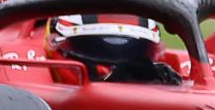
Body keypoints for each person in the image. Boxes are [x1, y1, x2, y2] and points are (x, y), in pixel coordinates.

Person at [47, 13, 183, 84]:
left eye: (132, 50)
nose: (112, 68)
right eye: (95, 48)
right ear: (55, 43)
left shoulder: (167, 77)